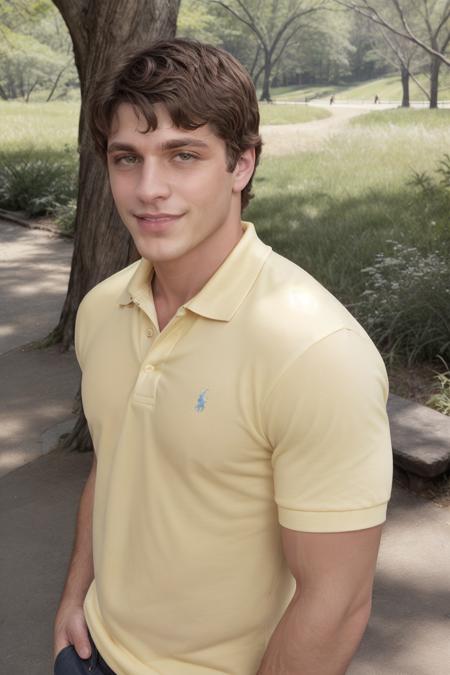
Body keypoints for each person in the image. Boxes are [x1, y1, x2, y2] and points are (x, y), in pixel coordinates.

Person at [53, 38, 392, 675]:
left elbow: (338, 601)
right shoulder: (102, 309)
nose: (149, 188)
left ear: (241, 166)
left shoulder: (314, 351)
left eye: (184, 155)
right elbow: (117, 456)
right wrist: (76, 597)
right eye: (128, 158)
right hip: (89, 652)